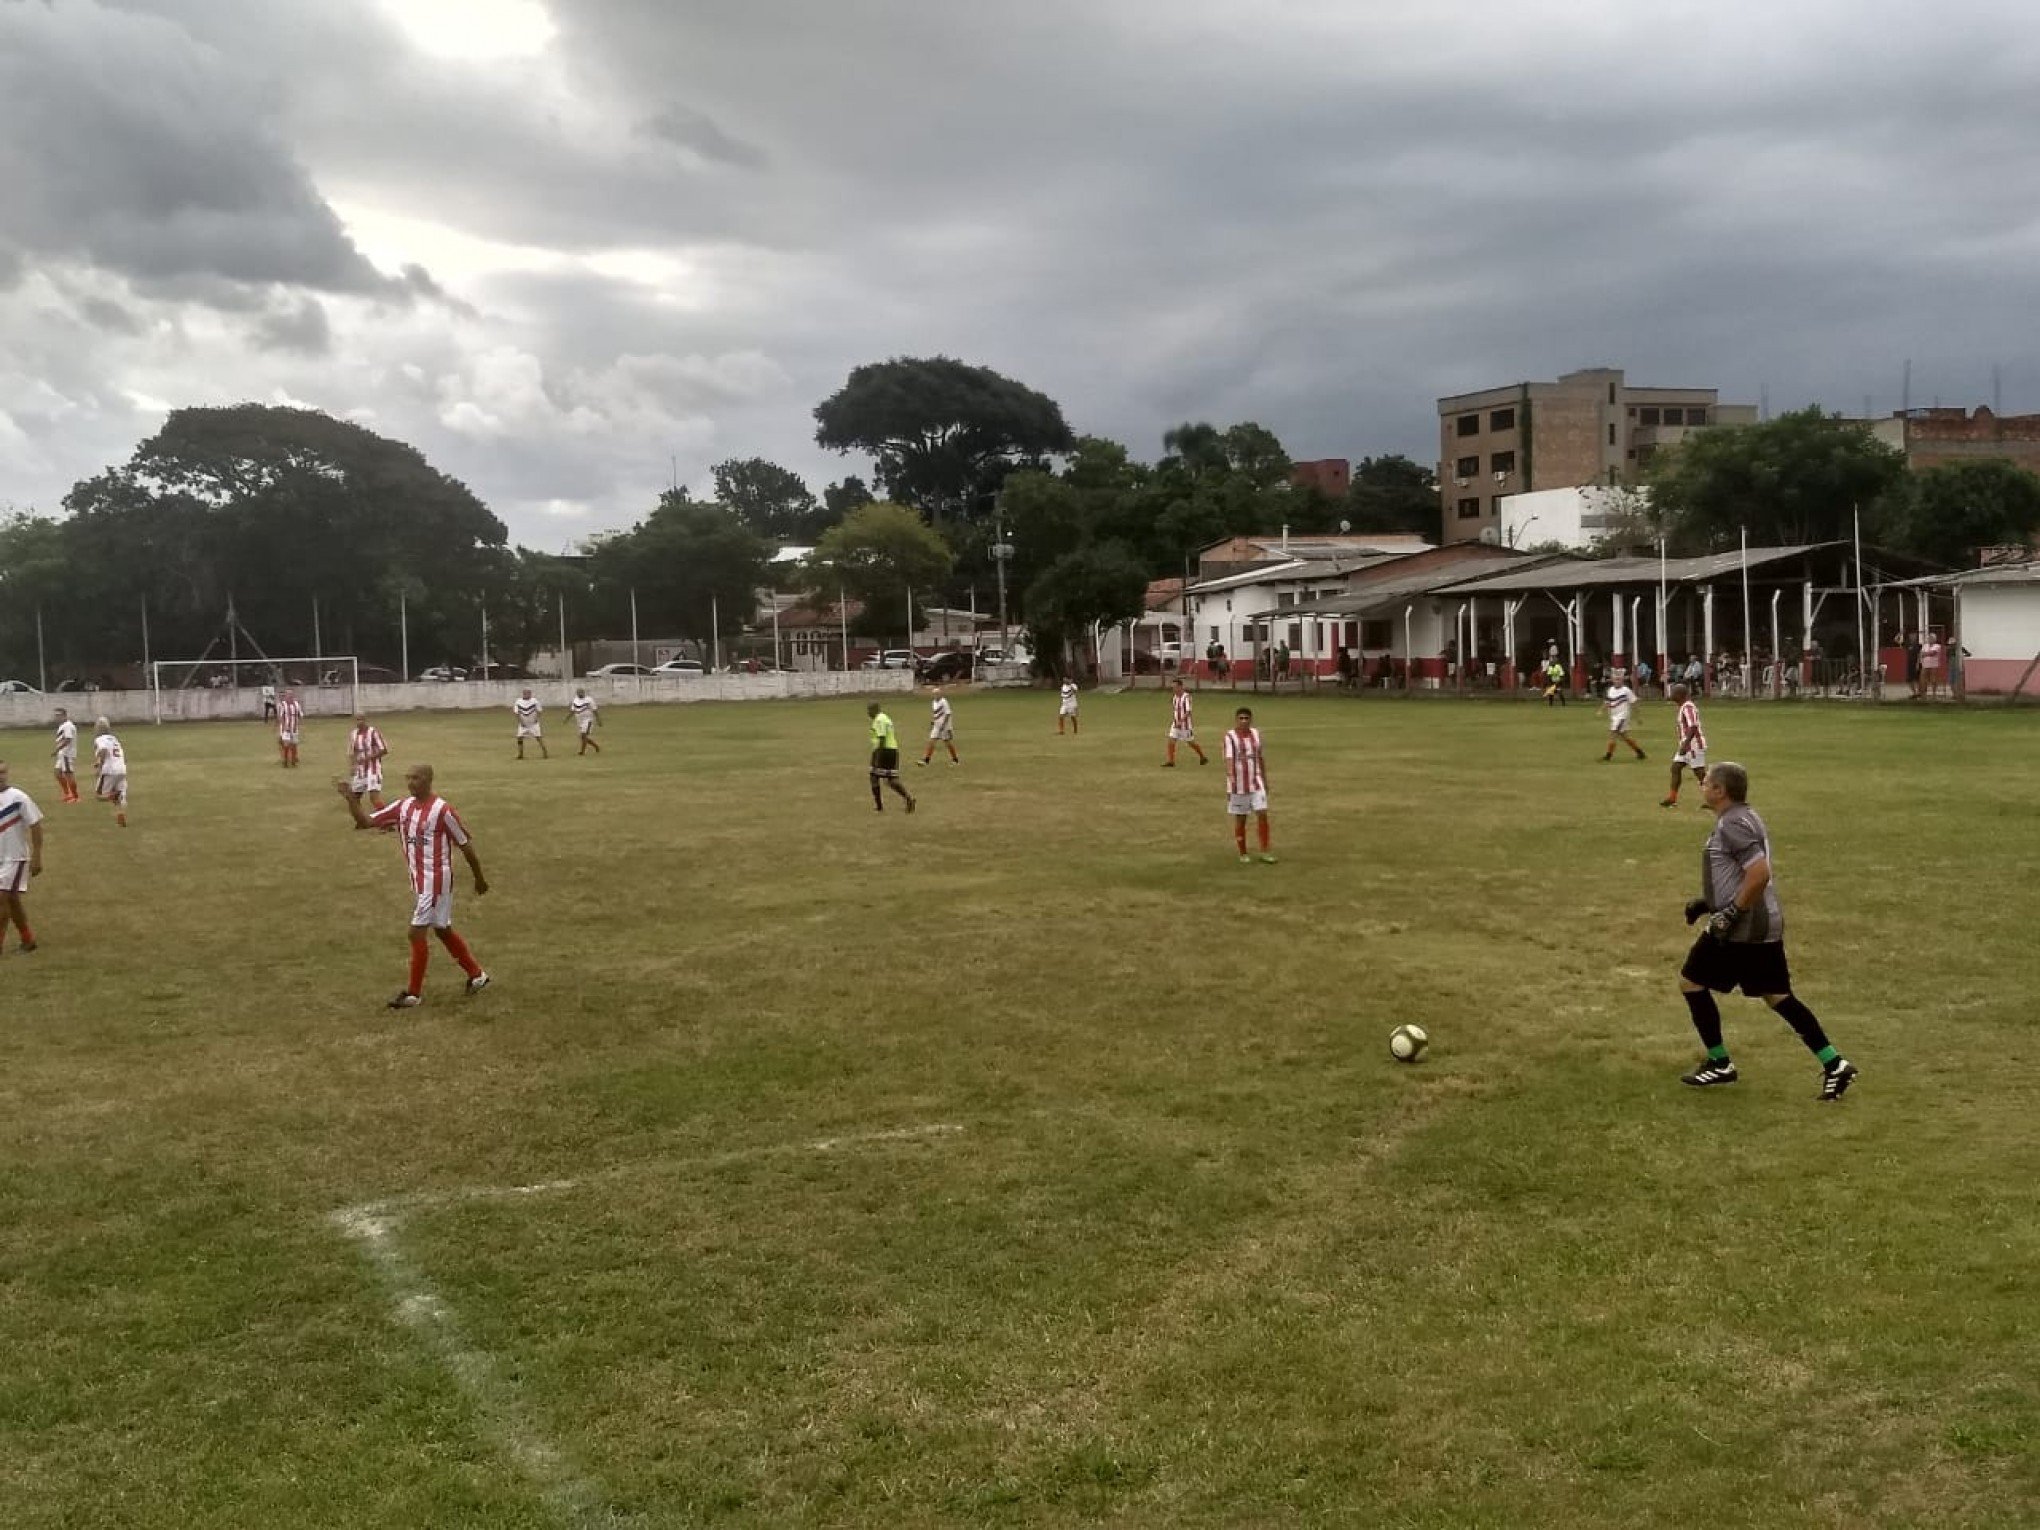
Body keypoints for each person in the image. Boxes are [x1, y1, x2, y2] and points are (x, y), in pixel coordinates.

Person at [1675, 762, 1857, 1100]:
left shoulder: (1732, 825)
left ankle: (1720, 1062)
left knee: (1691, 981)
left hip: (1743, 928)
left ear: (1720, 791)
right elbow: (1740, 873)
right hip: (1759, 922)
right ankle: (1834, 1063)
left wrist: (1730, 912)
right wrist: (1707, 902)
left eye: (1706, 783)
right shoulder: (1746, 816)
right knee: (1777, 995)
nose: (1701, 786)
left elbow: (1759, 873)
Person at [336, 764, 490, 1009]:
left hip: (436, 882)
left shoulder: (442, 810)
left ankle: (413, 994)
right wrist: (351, 801)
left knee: (415, 933)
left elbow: (465, 844)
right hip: (422, 882)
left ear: (429, 779)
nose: (411, 782)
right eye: (408, 778)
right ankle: (477, 975)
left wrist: (479, 878)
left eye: (416, 778)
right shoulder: (403, 806)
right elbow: (366, 822)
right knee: (442, 929)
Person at [0, 760, 46, 955]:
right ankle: (28, 939)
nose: (0, 776)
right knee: (12, 900)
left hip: (15, 858)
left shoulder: (18, 797)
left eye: (2, 772)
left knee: (1, 897)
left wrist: (37, 855)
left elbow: (35, 825)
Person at [1224, 707, 1274, 863]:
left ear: (1250, 720)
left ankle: (1265, 851)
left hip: (1256, 781)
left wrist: (1265, 780)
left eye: (1246, 718)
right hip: (1238, 785)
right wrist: (1231, 781)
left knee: (1263, 813)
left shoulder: (1256, 735)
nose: (1244, 721)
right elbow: (1229, 759)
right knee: (1241, 818)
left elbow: (1260, 758)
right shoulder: (1230, 737)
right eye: (1241, 718)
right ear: (1236, 720)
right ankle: (1243, 852)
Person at [1660, 683, 1707, 807]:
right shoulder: (1683, 707)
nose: (1671, 695)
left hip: (1693, 745)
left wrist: (1685, 744)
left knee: (1700, 773)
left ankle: (1713, 799)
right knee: (1675, 768)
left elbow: (1693, 726)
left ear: (1680, 695)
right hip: (1687, 745)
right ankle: (1672, 798)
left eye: (1673, 693)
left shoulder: (1688, 707)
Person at [866, 702, 916, 813]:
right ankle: (908, 798)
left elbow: (882, 737)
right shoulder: (885, 717)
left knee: (874, 776)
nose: (868, 713)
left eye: (869, 710)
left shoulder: (879, 720)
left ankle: (879, 807)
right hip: (892, 750)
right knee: (891, 779)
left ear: (874, 710)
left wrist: (878, 756)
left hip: (883, 750)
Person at [1599, 671, 1647, 763]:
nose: (1617, 681)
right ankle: (1639, 752)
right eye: (1615, 679)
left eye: (1619, 679)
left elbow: (1634, 703)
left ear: (1622, 680)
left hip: (1623, 716)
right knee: (1624, 736)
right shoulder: (1611, 690)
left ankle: (1608, 756)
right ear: (1612, 680)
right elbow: (1607, 702)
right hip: (1614, 716)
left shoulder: (1626, 691)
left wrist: (1638, 717)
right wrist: (1601, 710)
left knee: (1613, 733)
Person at [346, 713, 389, 809]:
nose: (359, 722)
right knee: (354, 798)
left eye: (361, 719)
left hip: (373, 769)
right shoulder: (353, 734)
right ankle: (361, 820)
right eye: (357, 720)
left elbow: (384, 750)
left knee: (374, 797)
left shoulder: (373, 732)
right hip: (360, 770)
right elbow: (352, 752)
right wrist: (352, 766)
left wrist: (368, 758)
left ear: (365, 720)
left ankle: (385, 818)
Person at [1164, 676, 1209, 767]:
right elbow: (1175, 710)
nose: (1173, 689)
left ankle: (1202, 757)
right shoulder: (1175, 698)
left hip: (1186, 726)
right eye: (1172, 687)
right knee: (1171, 740)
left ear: (1180, 687)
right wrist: (1175, 721)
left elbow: (1188, 712)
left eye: (1175, 687)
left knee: (1190, 742)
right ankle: (1170, 761)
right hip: (1176, 724)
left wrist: (1181, 721)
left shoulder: (1186, 697)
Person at [92, 717, 128, 828]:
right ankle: (120, 816)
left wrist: (99, 766)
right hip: (121, 769)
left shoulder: (100, 739)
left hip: (110, 770)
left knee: (99, 796)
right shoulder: (114, 739)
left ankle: (115, 795)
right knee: (117, 799)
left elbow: (103, 751)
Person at [919, 687, 959, 766]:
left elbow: (948, 713)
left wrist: (944, 725)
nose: (936, 695)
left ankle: (955, 760)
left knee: (947, 743)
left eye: (937, 693)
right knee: (931, 741)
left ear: (940, 694)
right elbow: (936, 713)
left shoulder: (944, 701)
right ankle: (926, 760)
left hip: (944, 726)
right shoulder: (933, 702)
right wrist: (933, 721)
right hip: (937, 725)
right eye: (934, 694)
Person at [51, 706, 80, 804]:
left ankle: (76, 797)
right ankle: (67, 793)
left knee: (68, 775)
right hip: (62, 754)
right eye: (55, 716)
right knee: (57, 773)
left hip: (67, 753)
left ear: (64, 715)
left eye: (58, 715)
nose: (56, 717)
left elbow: (68, 739)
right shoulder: (63, 725)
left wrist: (57, 749)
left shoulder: (67, 725)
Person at [512, 688, 548, 759]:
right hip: (523, 724)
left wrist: (536, 718)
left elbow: (539, 710)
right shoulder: (518, 701)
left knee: (538, 738)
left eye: (529, 693)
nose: (528, 695)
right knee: (519, 738)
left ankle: (545, 753)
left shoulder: (534, 701)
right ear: (523, 694)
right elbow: (517, 713)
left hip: (533, 724)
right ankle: (520, 754)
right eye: (526, 693)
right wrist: (520, 721)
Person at [275, 689, 304, 769]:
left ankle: (293, 761)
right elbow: (281, 717)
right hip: (286, 728)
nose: (289, 696)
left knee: (294, 745)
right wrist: (284, 726)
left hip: (294, 728)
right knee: (286, 744)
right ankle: (285, 762)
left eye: (291, 694)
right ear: (286, 696)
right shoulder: (283, 705)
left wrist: (300, 724)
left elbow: (300, 714)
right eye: (288, 694)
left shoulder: (296, 704)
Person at [569, 687, 601, 754]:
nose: (580, 694)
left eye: (581, 692)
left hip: (588, 720)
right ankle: (596, 746)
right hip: (579, 721)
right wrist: (567, 718)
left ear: (584, 693)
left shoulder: (589, 700)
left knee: (584, 735)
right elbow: (573, 710)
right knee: (583, 737)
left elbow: (594, 710)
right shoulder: (575, 700)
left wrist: (598, 720)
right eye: (579, 692)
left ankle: (582, 751)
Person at [1919, 629, 1945, 698]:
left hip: (1934, 665)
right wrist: (1926, 654)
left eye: (1932, 638)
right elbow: (1921, 654)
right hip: (1925, 665)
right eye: (1929, 638)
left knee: (1933, 679)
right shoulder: (1925, 645)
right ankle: (1924, 693)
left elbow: (1933, 653)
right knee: (1923, 679)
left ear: (1935, 639)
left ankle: (1934, 693)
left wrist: (1925, 654)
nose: (1930, 639)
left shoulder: (1937, 646)